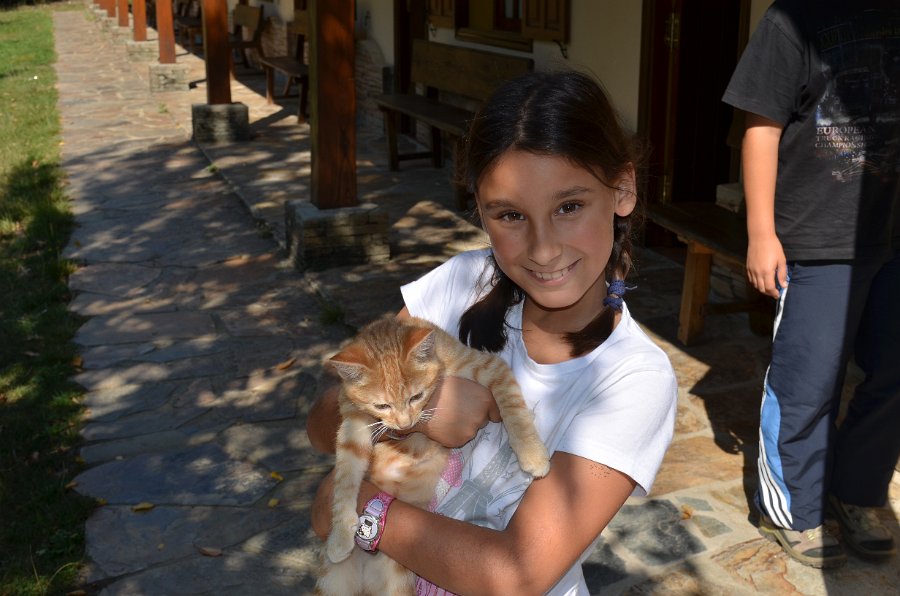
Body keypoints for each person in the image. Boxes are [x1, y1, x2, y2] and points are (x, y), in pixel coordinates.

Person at [306, 70, 678, 595]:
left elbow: (515, 574)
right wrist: (423, 408)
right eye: (510, 215)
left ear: (622, 189)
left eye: (569, 207)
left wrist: (361, 508)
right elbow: (321, 423)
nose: (543, 248)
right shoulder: (459, 285)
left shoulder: (633, 379)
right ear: (480, 210)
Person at [722, 0, 900, 569]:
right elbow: (760, 128)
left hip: (890, 234)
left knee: (894, 372)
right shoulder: (792, 19)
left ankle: (858, 490)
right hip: (815, 240)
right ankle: (792, 510)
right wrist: (761, 234)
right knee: (807, 382)